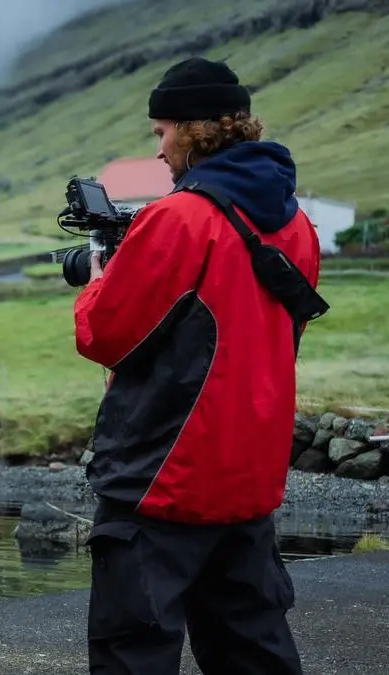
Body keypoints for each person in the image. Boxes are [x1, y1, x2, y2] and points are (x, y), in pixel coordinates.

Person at [73, 56, 321, 674]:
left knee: (135, 653)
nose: (158, 150)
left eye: (162, 132)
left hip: (163, 478)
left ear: (196, 129)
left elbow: (105, 334)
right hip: (248, 478)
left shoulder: (178, 218)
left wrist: (97, 279)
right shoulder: (298, 226)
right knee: (252, 652)